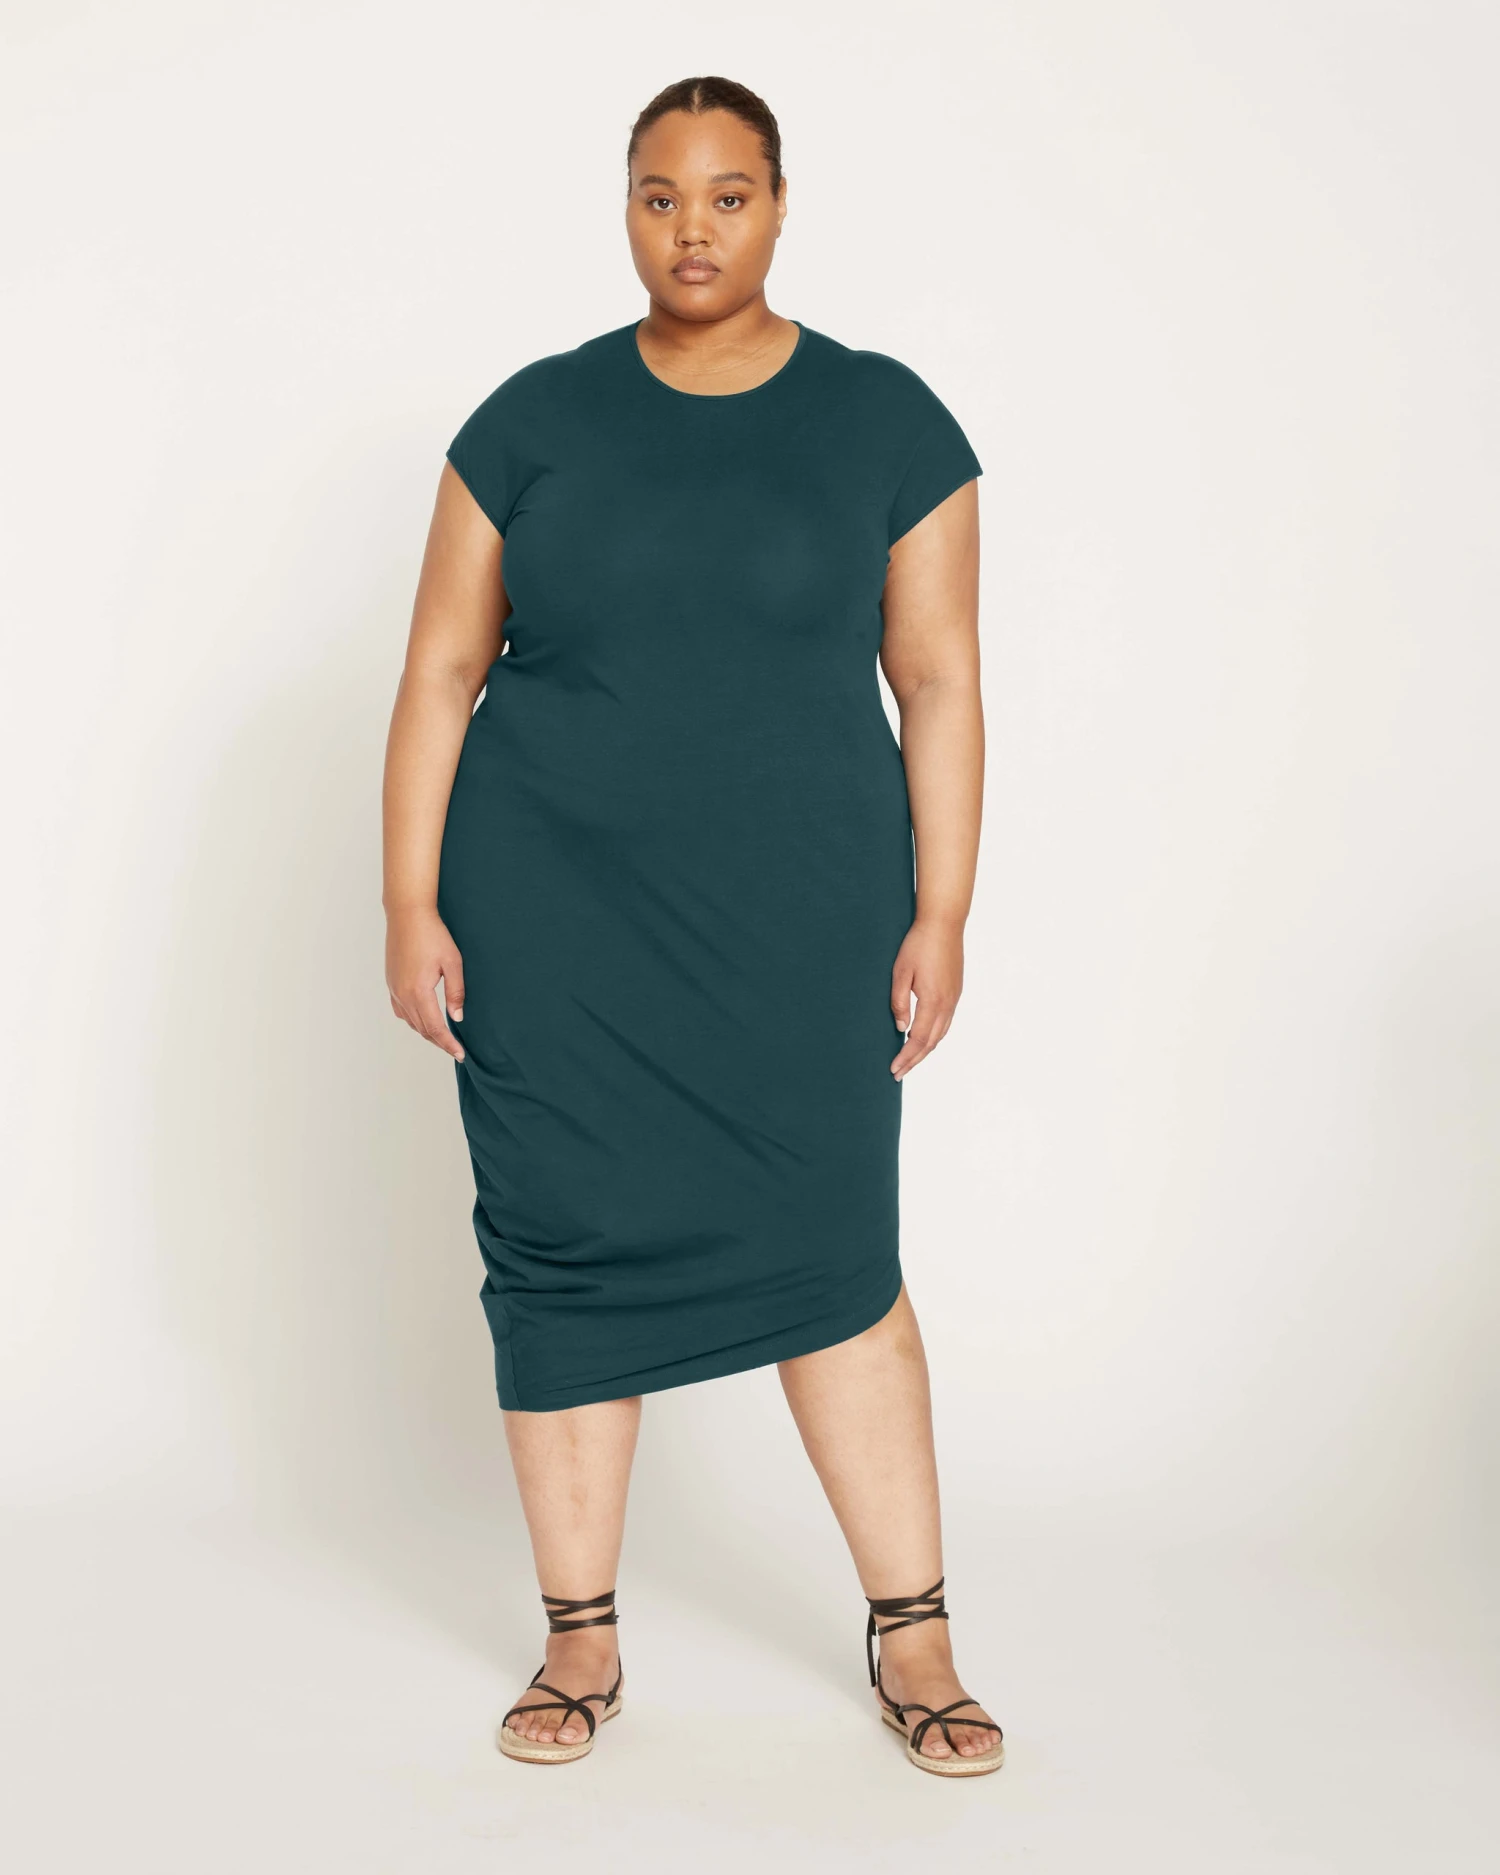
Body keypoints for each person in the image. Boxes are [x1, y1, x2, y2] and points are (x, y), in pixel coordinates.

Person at [381, 75, 999, 1777]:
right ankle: (578, 1635)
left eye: (728, 195)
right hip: (552, 919)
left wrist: (945, 905)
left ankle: (915, 1631)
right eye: (661, 196)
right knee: (563, 1251)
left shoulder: (886, 421)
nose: (694, 228)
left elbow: (940, 679)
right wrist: (409, 896)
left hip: (803, 921)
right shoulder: (529, 421)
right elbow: (440, 670)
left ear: (780, 205)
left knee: (835, 1253)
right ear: (626, 210)